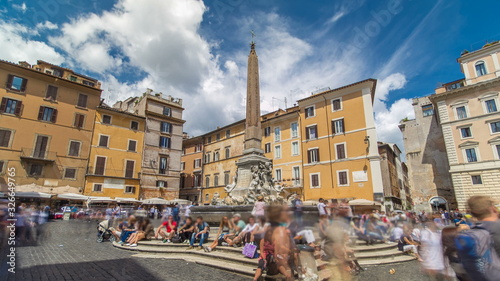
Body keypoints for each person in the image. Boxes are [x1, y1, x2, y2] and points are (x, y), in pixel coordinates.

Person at [252, 205, 293, 281]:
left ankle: (287, 275)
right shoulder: (263, 240)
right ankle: (255, 279)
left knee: (279, 264)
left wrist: (276, 258)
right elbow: (261, 251)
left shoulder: (275, 241)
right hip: (264, 256)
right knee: (260, 265)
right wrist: (264, 259)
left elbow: (276, 251)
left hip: (272, 256)